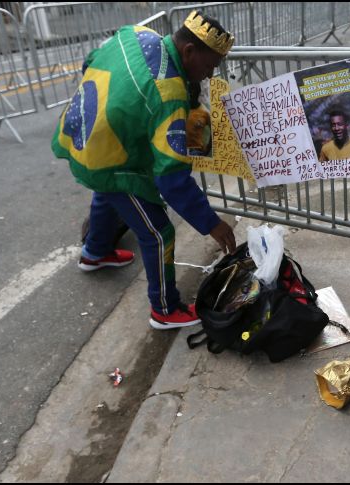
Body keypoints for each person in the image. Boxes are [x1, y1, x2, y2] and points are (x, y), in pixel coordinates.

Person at [51, 11, 236, 330]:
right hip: (111, 155)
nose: (208, 76)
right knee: (157, 232)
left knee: (107, 194)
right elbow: (171, 179)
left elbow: (91, 60)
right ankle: (165, 309)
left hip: (82, 130)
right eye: (209, 67)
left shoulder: (138, 34)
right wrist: (212, 224)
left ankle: (94, 253)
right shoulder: (170, 95)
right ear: (189, 51)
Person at [187, 81, 212, 156]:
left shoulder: (204, 112)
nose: (191, 94)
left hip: (197, 152)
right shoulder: (180, 109)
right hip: (181, 152)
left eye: (193, 91)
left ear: (198, 92)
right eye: (189, 91)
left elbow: (215, 130)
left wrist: (208, 148)